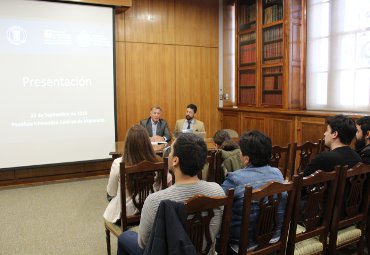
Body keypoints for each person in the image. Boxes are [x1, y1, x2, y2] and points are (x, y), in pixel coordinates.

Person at [117, 133, 225, 255]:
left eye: (170, 151)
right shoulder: (218, 191)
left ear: (175, 161)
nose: (168, 154)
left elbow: (143, 243)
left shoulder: (155, 201)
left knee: (125, 237)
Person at [221, 130, 286, 254]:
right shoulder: (278, 173)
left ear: (246, 158)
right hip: (274, 240)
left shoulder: (234, 179)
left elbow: (218, 207)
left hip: (243, 246)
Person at [103, 125, 169, 225]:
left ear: (128, 144)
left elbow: (111, 192)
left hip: (125, 215)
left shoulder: (119, 163)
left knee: (109, 195)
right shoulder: (158, 162)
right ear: (147, 143)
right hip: (151, 212)